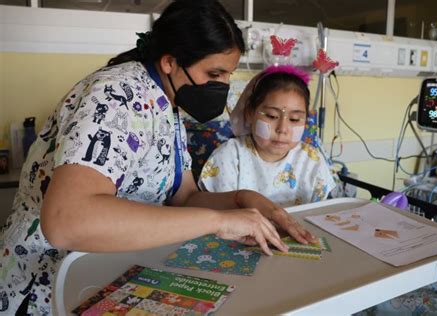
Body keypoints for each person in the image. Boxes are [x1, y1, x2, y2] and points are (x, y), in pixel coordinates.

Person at [0, 1, 315, 314]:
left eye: (227, 75)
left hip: (105, 273)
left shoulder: (168, 104)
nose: (222, 86)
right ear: (170, 62)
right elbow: (66, 221)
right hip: (47, 284)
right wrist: (217, 222)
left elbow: (185, 197)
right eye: (214, 73)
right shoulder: (114, 96)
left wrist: (243, 201)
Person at [199, 65, 337, 207]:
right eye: (272, 116)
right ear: (250, 114)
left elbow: (318, 215)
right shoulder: (229, 157)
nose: (282, 129)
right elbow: (219, 216)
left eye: (294, 119)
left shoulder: (312, 160)